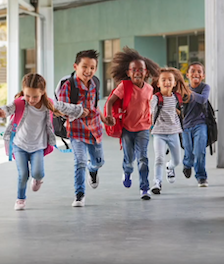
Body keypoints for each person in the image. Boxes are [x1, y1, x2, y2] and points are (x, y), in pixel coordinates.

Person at [0, 73, 87, 210]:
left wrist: (79, 111)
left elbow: (64, 107)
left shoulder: (47, 104)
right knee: (23, 174)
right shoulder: (19, 103)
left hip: (37, 146)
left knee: (38, 172)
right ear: (23, 91)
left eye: (35, 96)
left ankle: (37, 178)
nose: (31, 100)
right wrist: (1, 112)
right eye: (27, 96)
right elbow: (7, 108)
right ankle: (20, 199)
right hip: (19, 144)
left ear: (42, 92)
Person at [58, 50, 112, 207]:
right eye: (85, 67)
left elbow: (94, 106)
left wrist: (104, 119)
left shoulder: (95, 83)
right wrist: (79, 111)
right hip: (76, 129)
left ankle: (93, 169)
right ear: (76, 66)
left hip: (95, 128)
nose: (88, 71)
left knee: (99, 162)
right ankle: (79, 194)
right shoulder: (68, 85)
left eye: (92, 67)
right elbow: (61, 108)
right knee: (79, 161)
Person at [105, 47, 159, 200]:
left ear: (146, 72)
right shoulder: (125, 86)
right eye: (134, 69)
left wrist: (153, 120)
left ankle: (144, 188)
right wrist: (109, 116)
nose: (137, 72)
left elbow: (150, 106)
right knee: (129, 158)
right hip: (127, 128)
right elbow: (110, 102)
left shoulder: (149, 89)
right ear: (128, 73)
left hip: (143, 128)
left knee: (143, 158)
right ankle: (127, 172)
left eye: (140, 69)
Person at [150, 67, 191, 194]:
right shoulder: (156, 98)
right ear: (158, 83)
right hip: (159, 133)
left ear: (174, 83)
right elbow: (149, 110)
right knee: (159, 158)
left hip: (174, 132)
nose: (167, 82)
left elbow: (179, 111)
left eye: (170, 80)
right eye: (163, 80)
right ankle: (157, 182)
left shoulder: (177, 98)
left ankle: (170, 167)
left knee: (177, 160)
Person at [182, 62, 210, 187]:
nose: (196, 74)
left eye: (199, 72)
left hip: (201, 124)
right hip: (186, 126)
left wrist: (189, 93)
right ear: (187, 74)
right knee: (188, 151)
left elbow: (203, 99)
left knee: (199, 151)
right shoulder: (183, 89)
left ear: (203, 75)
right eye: (193, 71)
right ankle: (187, 164)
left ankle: (201, 177)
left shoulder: (205, 87)